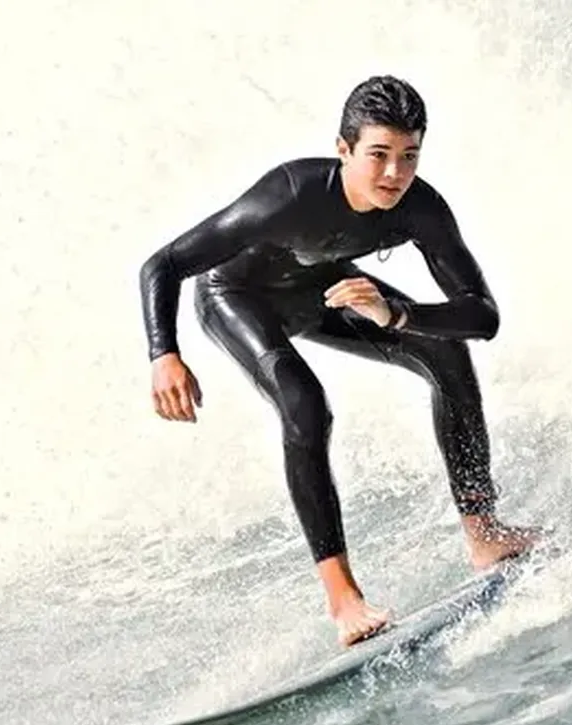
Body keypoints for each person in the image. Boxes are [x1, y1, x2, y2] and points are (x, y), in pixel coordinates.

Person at [139, 75, 538, 647]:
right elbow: (163, 264)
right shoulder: (289, 195)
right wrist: (165, 354)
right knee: (305, 405)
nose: (394, 175)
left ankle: (484, 532)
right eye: (378, 155)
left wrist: (398, 314)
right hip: (237, 297)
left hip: (318, 288)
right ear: (344, 149)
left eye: (409, 157)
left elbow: (482, 316)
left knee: (445, 351)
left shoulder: (419, 209)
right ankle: (343, 597)